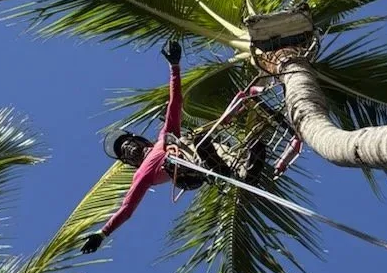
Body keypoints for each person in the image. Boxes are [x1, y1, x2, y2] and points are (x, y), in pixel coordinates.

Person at [80, 38, 268, 253]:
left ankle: (242, 163)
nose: (129, 148)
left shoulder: (164, 137)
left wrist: (174, 66)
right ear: (129, 160)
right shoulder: (142, 174)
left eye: (128, 143)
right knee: (197, 145)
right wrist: (103, 233)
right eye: (125, 151)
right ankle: (235, 169)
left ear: (138, 139)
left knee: (199, 140)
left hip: (198, 152)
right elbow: (127, 208)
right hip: (187, 170)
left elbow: (175, 102)